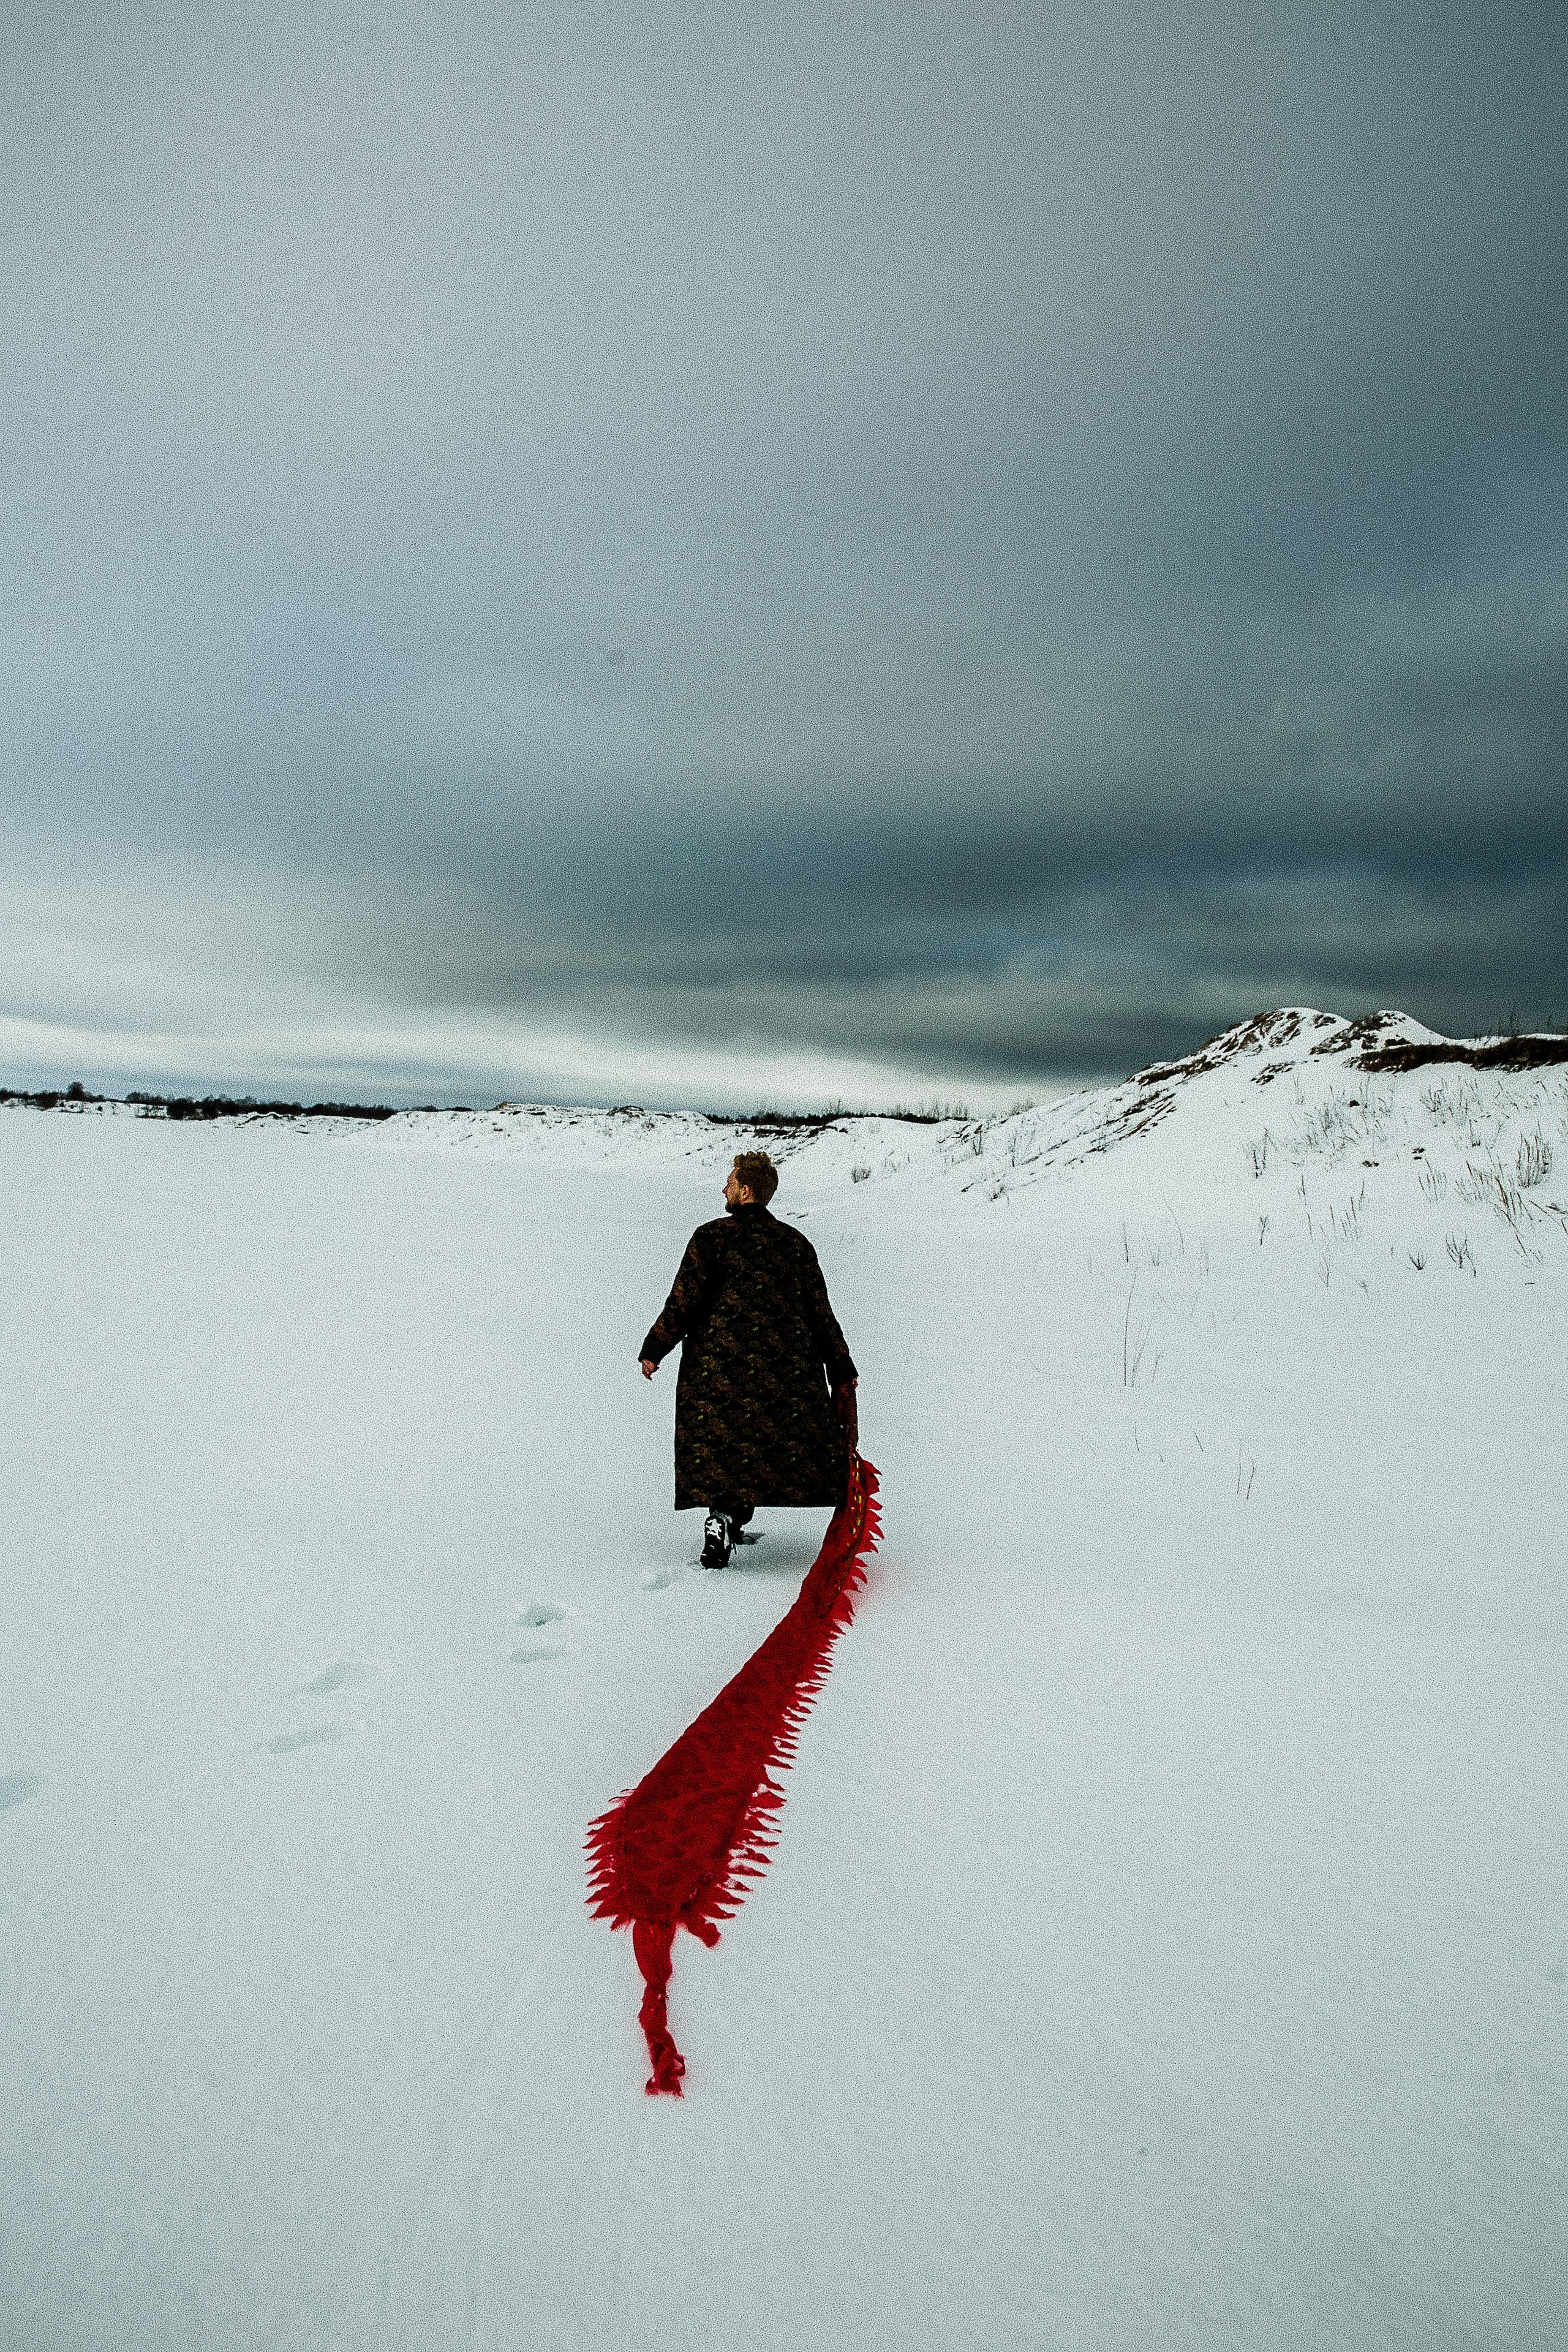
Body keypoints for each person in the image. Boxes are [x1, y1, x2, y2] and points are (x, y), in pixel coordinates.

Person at [639, 1148, 859, 1566]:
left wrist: (655, 1348)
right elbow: (821, 1313)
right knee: (762, 1443)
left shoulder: (711, 1237)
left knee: (723, 1441)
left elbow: (683, 1302)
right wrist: (841, 1367)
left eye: (729, 1182)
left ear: (745, 1191)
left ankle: (722, 1517)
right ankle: (732, 1521)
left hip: (716, 1367)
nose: (723, 1187)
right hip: (782, 1373)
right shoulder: (796, 1245)